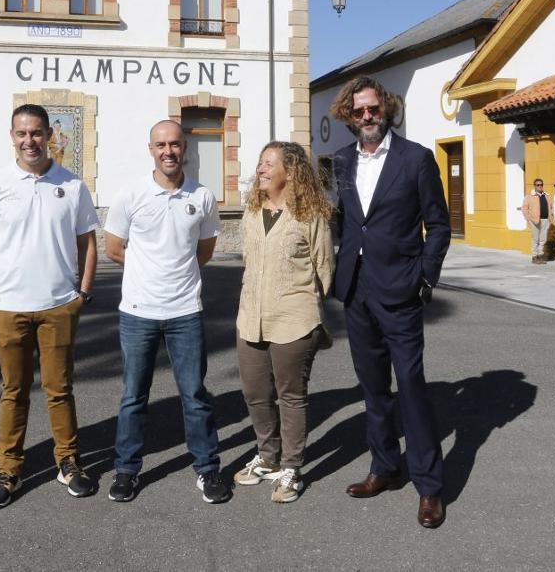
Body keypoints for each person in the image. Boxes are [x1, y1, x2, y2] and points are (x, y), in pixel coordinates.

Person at [329, 76, 451, 529]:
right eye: (358, 111)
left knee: (412, 386)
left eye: (373, 110)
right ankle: (385, 467)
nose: (366, 117)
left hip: (400, 289)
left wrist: (425, 275)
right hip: (356, 290)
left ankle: (430, 486)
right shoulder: (341, 162)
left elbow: (438, 224)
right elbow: (343, 223)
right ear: (349, 115)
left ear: (387, 109)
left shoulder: (415, 159)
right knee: (372, 387)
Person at [0, 104, 99, 510]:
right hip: (8, 308)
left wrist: (83, 294)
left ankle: (68, 462)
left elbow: (87, 243)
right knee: (14, 392)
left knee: (59, 391)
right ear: (12, 137)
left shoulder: (73, 186)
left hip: (59, 306)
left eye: (37, 133)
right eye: (22, 134)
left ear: (50, 136)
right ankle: (8, 470)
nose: (30, 141)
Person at [103, 119, 229, 504]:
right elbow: (113, 247)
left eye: (174, 144)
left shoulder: (202, 196)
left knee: (194, 394)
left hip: (185, 311)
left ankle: (207, 470)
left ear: (184, 147)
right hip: (138, 312)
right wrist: (149, 272)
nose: (168, 151)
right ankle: (127, 469)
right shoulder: (131, 194)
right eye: (161, 145)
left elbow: (204, 250)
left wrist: (174, 273)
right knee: (133, 396)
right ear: (151, 149)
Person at [233, 141, 335, 504]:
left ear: (290, 173)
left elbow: (325, 269)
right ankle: (267, 456)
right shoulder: (251, 210)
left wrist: (309, 307)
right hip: (251, 317)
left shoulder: (311, 216)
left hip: (294, 319)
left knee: (291, 396)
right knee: (256, 393)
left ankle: (292, 467)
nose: (259, 170)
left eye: (268, 164)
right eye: (260, 163)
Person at [522, 178, 551, 264]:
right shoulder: (529, 197)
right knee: (535, 239)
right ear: (534, 186)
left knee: (543, 239)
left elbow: (551, 207)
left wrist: (551, 217)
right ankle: (534, 256)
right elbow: (524, 208)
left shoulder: (547, 196)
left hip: (545, 220)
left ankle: (540, 255)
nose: (540, 186)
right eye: (538, 185)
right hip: (534, 221)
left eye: (541, 184)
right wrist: (529, 219)